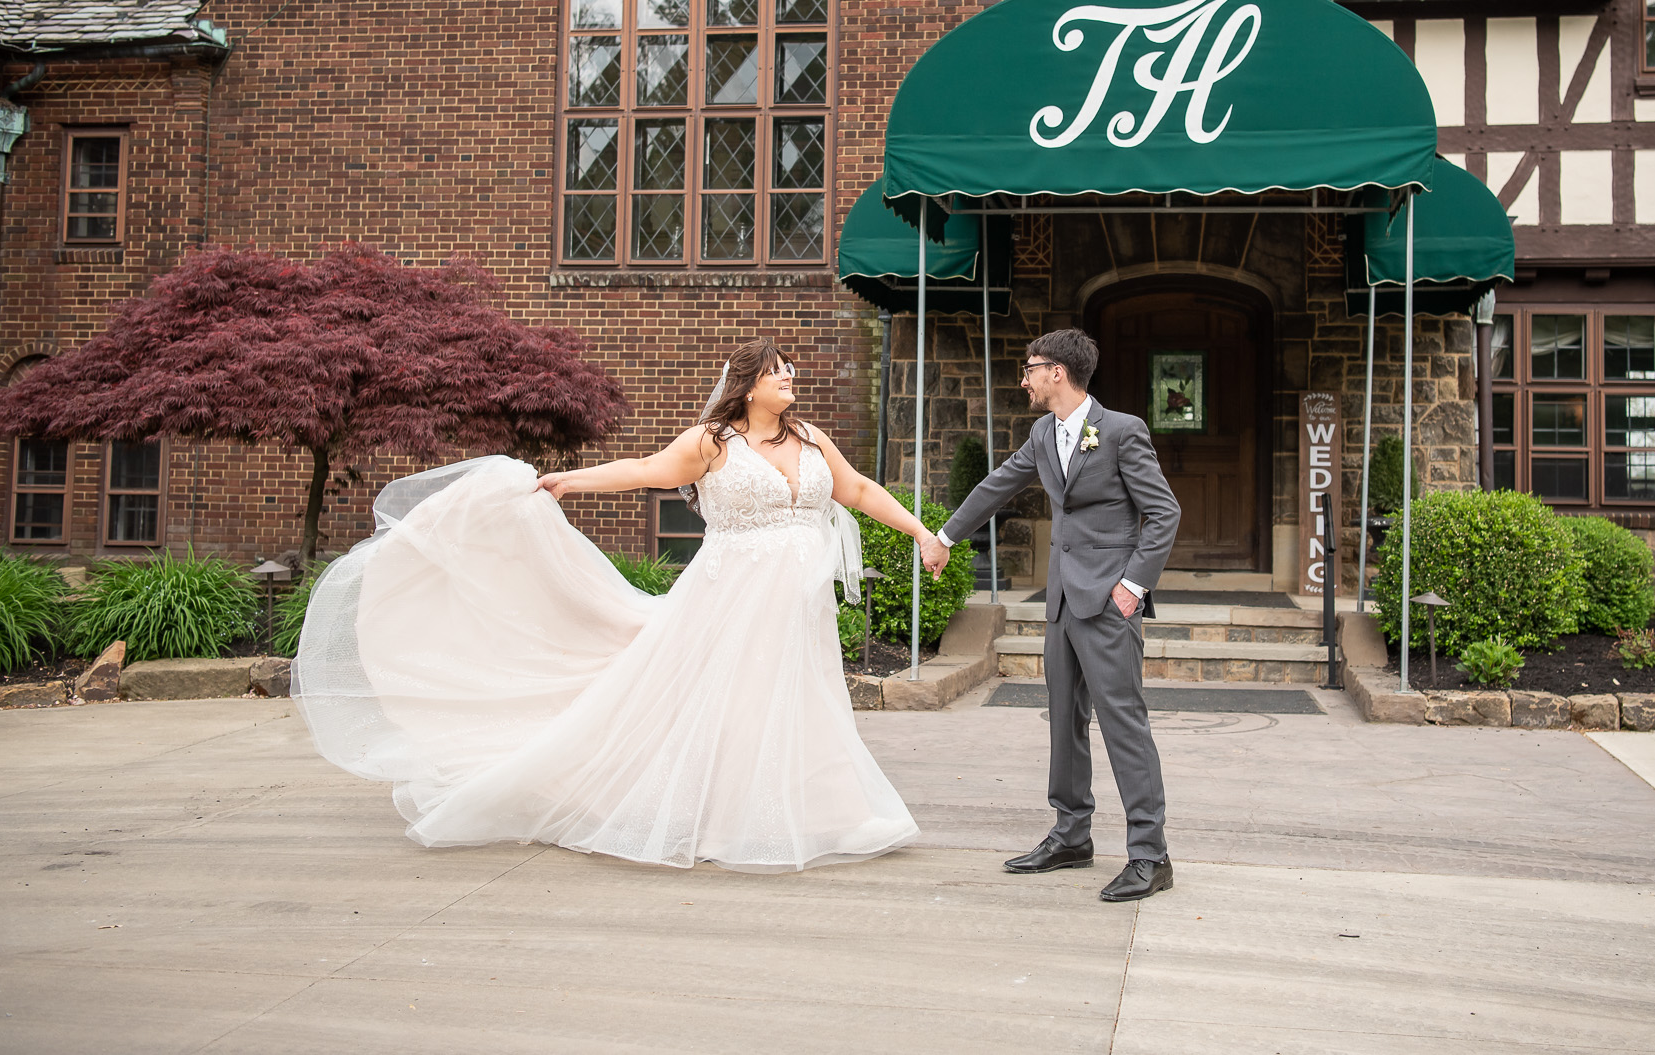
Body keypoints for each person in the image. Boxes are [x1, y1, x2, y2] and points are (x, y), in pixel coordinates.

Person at [292, 337, 945, 873]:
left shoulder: (810, 438)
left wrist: (918, 531)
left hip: (797, 607)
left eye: (791, 372)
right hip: (728, 597)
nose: (790, 380)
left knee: (800, 701)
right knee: (732, 703)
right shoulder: (713, 443)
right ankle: (722, 819)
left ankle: (821, 810)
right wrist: (568, 480)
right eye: (779, 374)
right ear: (749, 386)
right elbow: (646, 469)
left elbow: (856, 488)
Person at [935, 327, 1181, 902]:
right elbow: (999, 484)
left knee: (1124, 723)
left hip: (1109, 604)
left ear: (1057, 373)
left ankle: (1151, 854)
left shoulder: (1122, 432)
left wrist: (1132, 588)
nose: (1024, 379)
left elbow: (1163, 514)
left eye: (1030, 369)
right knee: (1064, 724)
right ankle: (1071, 835)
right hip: (1062, 604)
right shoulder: (1043, 434)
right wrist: (944, 535)